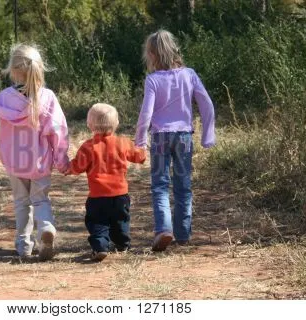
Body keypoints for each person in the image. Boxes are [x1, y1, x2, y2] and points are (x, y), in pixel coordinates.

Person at [134, 30, 216, 252]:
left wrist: (140, 140)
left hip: (160, 137)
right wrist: (208, 135)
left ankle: (163, 229)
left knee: (160, 185)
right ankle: (183, 234)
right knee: (183, 186)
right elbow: (207, 103)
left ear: (151, 54)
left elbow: (146, 114)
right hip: (184, 138)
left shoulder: (152, 80)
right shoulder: (189, 75)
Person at [0, 44, 69, 261]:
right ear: (39, 69)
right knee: (40, 201)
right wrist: (62, 160)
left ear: (13, 69)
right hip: (40, 162)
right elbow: (58, 131)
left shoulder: (3, 99)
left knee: (21, 202)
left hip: (15, 162)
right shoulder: (47, 97)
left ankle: (23, 244)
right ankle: (46, 227)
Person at [65, 103, 146, 261]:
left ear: (89, 125)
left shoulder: (88, 146)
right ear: (116, 124)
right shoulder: (123, 142)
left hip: (97, 196)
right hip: (120, 195)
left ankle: (100, 245)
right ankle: (123, 243)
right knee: (121, 220)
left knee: (97, 222)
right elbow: (139, 156)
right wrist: (142, 150)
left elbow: (78, 166)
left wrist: (69, 169)